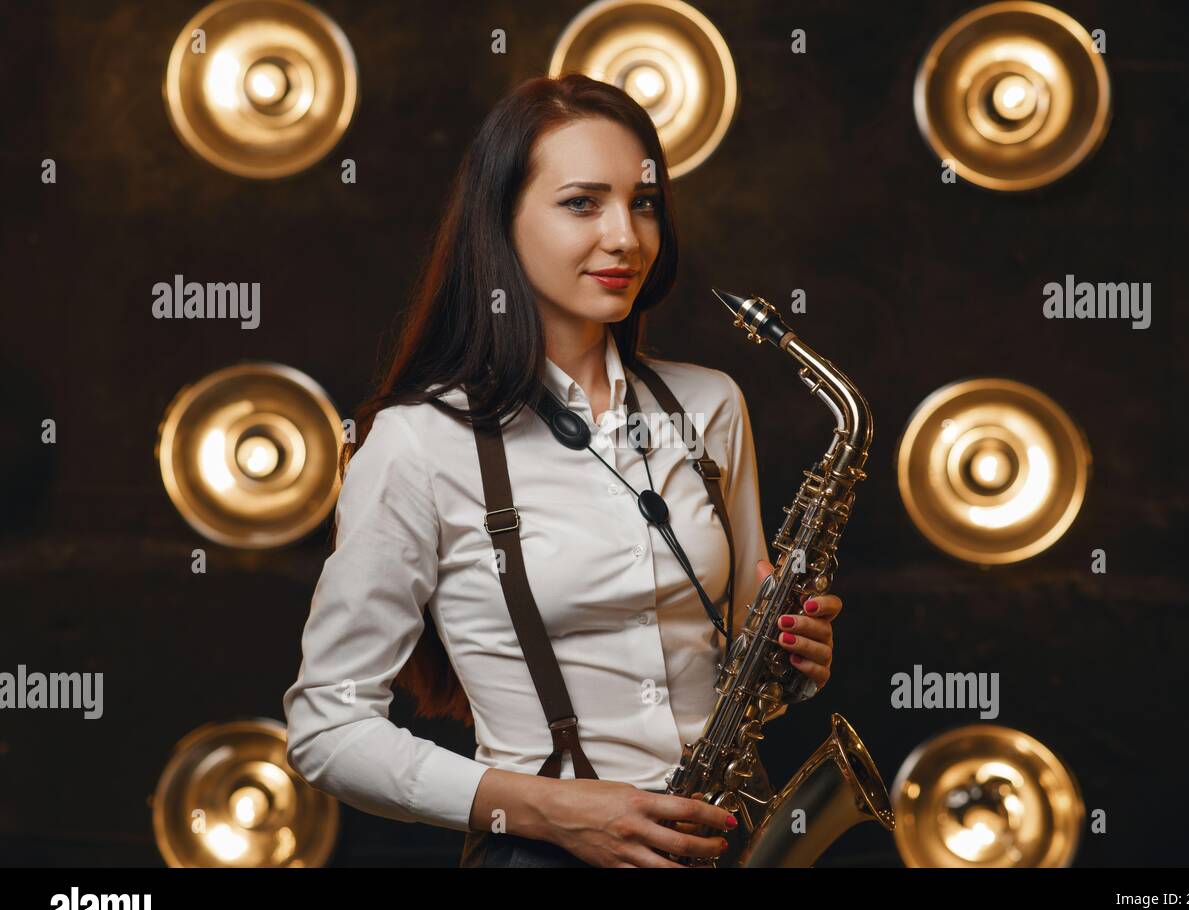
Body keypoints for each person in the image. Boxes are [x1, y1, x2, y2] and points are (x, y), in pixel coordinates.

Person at [282, 73, 843, 868]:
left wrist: (798, 659)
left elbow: (746, 659)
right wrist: (546, 811)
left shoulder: (711, 404)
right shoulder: (418, 443)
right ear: (500, 221)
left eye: (642, 202)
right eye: (583, 203)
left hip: (729, 840)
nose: (625, 237)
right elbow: (326, 728)